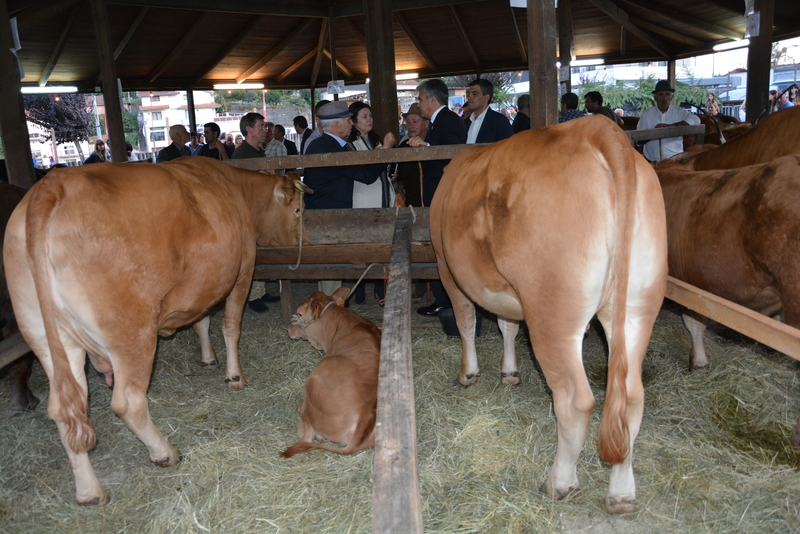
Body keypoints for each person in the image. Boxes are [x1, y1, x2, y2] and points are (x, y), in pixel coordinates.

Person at [304, 101, 390, 296]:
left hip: (326, 212)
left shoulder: (327, 144)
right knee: (331, 266)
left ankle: (328, 308)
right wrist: (385, 153)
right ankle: (329, 310)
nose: (352, 123)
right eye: (348, 120)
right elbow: (366, 176)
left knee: (331, 266)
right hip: (328, 215)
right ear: (336, 125)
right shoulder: (329, 147)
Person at [407, 78, 467, 318]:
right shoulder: (439, 120)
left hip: (445, 191)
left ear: (432, 99)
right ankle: (446, 299)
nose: (418, 104)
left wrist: (427, 144)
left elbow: (452, 149)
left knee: (445, 248)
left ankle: (448, 301)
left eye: (420, 99)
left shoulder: (448, 120)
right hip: (440, 190)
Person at [345, 101, 398, 305]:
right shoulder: (350, 145)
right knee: (364, 246)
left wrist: (392, 166)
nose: (370, 120)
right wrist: (384, 151)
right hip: (364, 198)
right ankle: (358, 292)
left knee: (384, 244)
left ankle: (381, 289)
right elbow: (366, 171)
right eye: (364, 116)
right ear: (354, 121)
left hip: (385, 195)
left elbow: (386, 168)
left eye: (371, 116)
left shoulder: (375, 141)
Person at [636, 79, 701, 162]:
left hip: (676, 160)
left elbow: (696, 119)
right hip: (653, 161)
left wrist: (673, 126)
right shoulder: (647, 114)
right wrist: (654, 133)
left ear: (672, 97)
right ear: (655, 97)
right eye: (660, 95)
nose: (664, 98)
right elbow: (638, 141)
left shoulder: (679, 112)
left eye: (667, 94)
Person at [394, 103, 428, 208]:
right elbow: (400, 175)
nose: (410, 126)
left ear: (426, 123)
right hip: (412, 201)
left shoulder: (433, 142)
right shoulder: (404, 145)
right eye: (408, 122)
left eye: (414, 121)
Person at [464, 78, 513, 144]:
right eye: (468, 93)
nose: (469, 97)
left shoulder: (499, 121)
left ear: (486, 98)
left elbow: (508, 148)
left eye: (474, 94)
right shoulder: (466, 122)